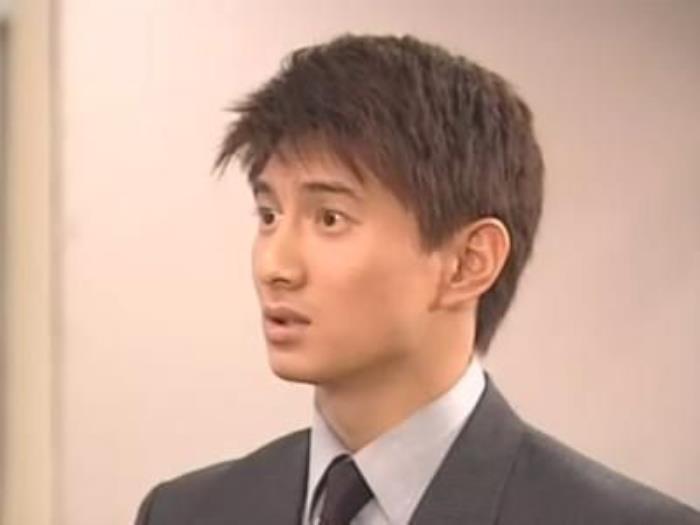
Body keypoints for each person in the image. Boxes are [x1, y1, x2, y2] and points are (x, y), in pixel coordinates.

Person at [135, 34, 699, 525]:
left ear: (469, 262)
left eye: (330, 219)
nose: (274, 267)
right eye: (268, 215)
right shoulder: (186, 512)